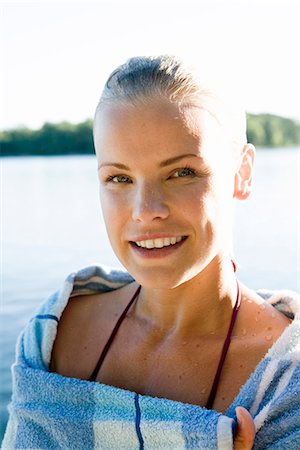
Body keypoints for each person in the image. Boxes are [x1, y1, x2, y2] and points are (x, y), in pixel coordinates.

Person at [2, 56, 300, 450]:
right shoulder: (54, 335)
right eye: (119, 178)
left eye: (182, 173)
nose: (145, 210)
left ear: (241, 173)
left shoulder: (283, 379)